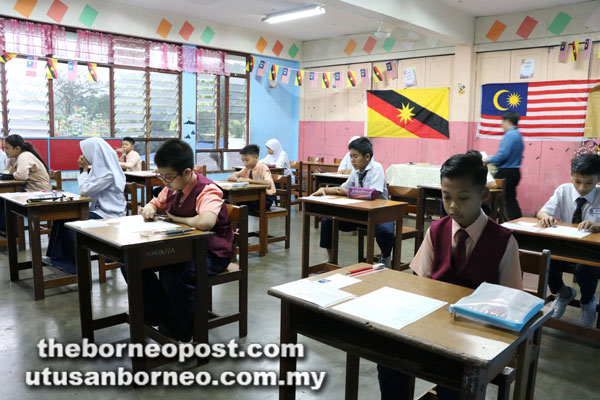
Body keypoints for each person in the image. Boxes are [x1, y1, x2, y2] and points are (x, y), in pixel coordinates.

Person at [377, 152, 522, 400]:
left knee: (454, 380)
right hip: (432, 328)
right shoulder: (436, 230)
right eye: (446, 197)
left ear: (483, 195)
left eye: (463, 198)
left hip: (476, 338)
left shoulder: (503, 241)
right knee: (389, 359)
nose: (453, 206)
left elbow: (511, 301)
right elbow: (419, 283)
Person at [137, 139, 234, 342]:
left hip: (212, 252)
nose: (165, 181)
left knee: (177, 273)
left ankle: (179, 328)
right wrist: (150, 208)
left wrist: (177, 219)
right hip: (182, 247)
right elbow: (157, 201)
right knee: (133, 264)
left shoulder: (208, 190)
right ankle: (159, 313)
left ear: (187, 172)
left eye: (168, 177)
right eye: (160, 176)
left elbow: (206, 222)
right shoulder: (172, 186)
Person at [46, 137, 126, 274]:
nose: (83, 156)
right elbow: (86, 190)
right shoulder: (98, 170)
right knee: (61, 218)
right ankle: (56, 257)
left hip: (108, 215)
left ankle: (73, 264)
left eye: (86, 152)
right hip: (98, 210)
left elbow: (84, 190)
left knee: (71, 224)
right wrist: (84, 171)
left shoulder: (108, 174)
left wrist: (83, 170)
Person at [537, 153, 600, 327]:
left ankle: (587, 301)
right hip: (565, 243)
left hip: (592, 248)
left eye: (589, 183)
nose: (582, 188)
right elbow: (543, 212)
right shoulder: (563, 190)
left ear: (598, 179)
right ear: (571, 176)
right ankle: (563, 293)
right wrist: (546, 218)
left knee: (586, 269)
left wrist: (597, 226)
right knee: (546, 261)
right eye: (577, 181)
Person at [313, 137, 394, 268]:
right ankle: (331, 260)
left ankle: (385, 257)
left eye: (355, 156)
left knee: (385, 231)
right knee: (328, 221)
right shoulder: (356, 172)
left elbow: (371, 193)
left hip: (380, 213)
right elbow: (343, 188)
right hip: (360, 213)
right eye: (350, 156)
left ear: (367, 157)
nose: (352, 160)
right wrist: (325, 190)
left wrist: (347, 192)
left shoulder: (377, 168)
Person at [0, 135, 52, 232]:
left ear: (17, 148)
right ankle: (9, 230)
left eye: (7, 148)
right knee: (4, 200)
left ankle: (10, 232)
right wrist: (13, 172)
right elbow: (5, 171)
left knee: (4, 201)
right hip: (28, 189)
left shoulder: (24, 156)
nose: (5, 151)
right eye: (4, 148)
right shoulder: (13, 157)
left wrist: (12, 172)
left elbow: (21, 176)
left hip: (39, 192)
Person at [484, 111, 524, 219]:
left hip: (506, 172)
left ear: (507, 121)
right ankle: (517, 222)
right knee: (510, 200)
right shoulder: (518, 135)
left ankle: (489, 220)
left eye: (503, 122)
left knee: (488, 196)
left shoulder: (510, 135)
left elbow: (503, 155)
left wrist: (488, 159)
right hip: (514, 172)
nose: (502, 125)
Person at [228, 144, 276, 211]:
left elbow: (268, 183)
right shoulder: (247, 168)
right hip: (254, 197)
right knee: (233, 202)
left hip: (265, 199)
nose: (244, 163)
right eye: (243, 160)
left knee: (239, 205)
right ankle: (237, 221)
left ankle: (239, 221)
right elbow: (230, 177)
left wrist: (249, 180)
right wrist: (238, 179)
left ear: (256, 158)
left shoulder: (263, 168)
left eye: (247, 160)